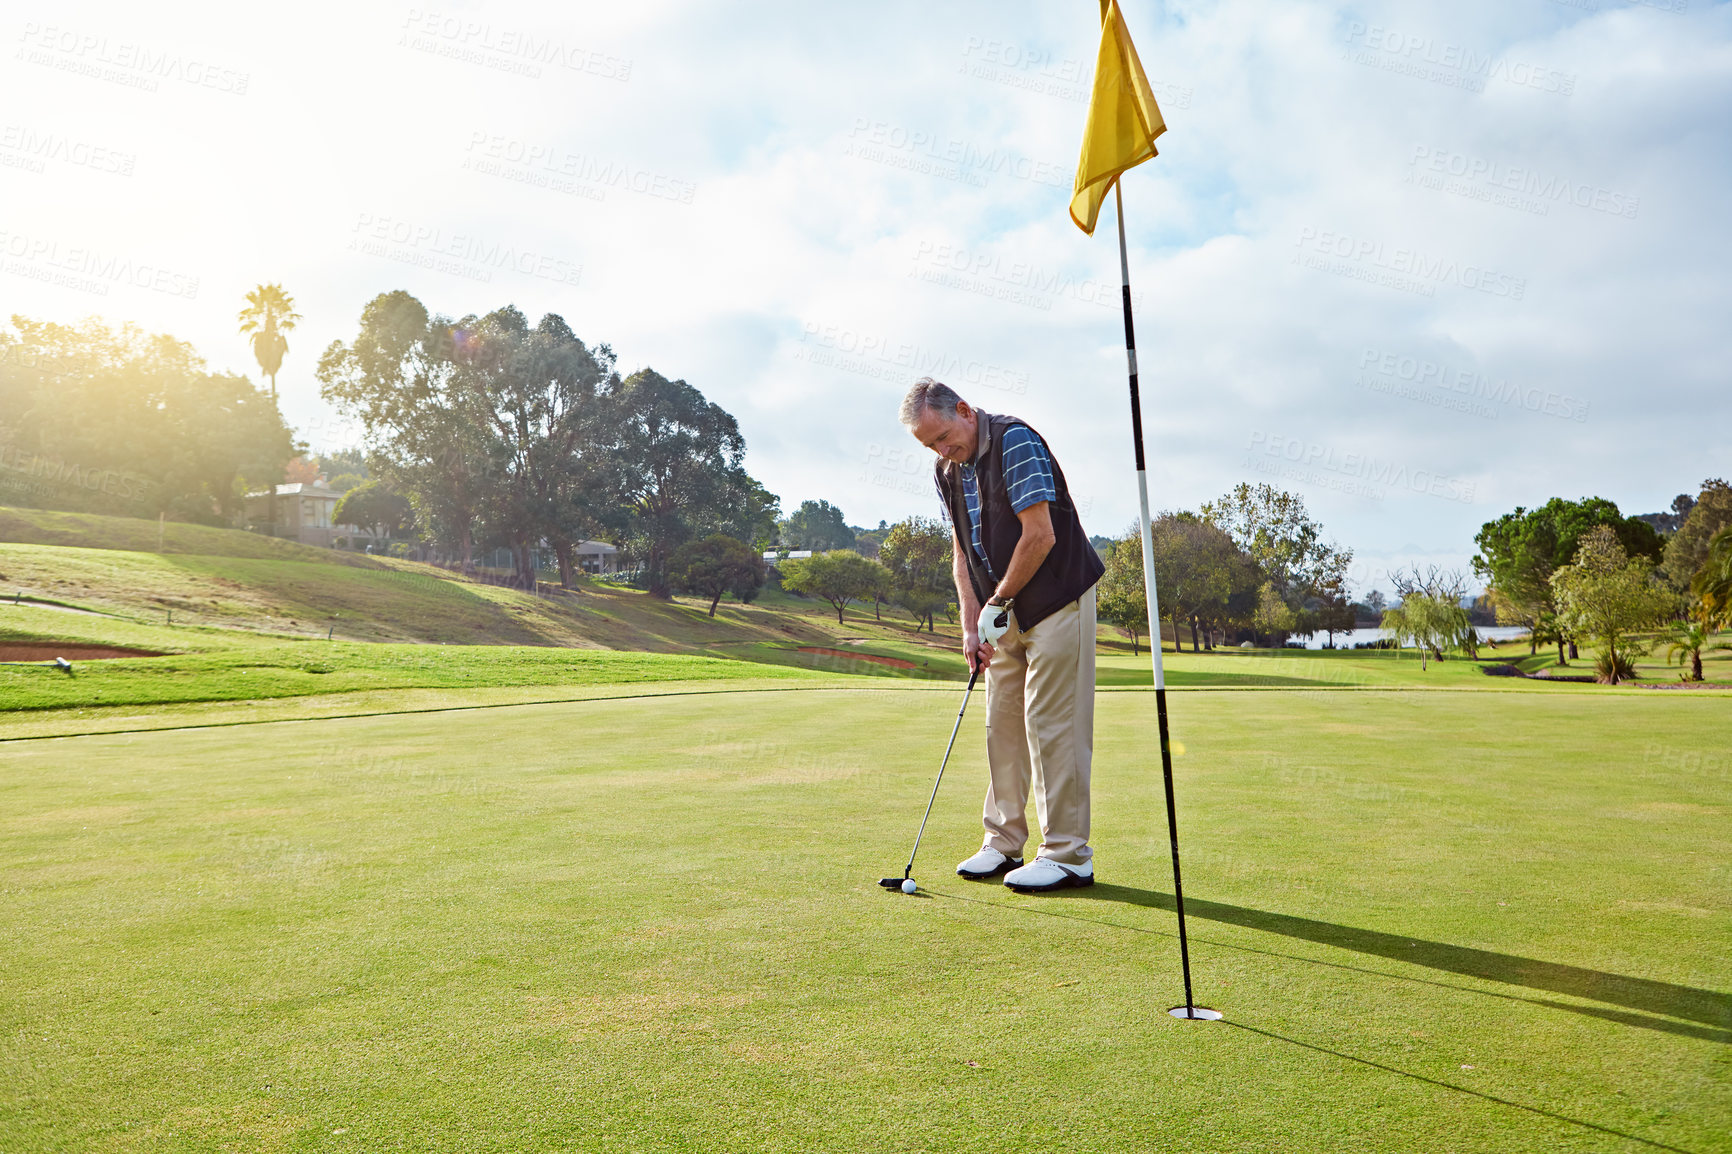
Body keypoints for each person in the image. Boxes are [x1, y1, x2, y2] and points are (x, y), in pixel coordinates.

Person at [898, 378, 1104, 893]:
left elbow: (1040, 535)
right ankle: (1003, 840)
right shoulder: (947, 469)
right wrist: (972, 624)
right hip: (1001, 610)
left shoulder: (1014, 441)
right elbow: (962, 552)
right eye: (932, 446)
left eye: (945, 437)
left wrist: (999, 600)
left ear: (965, 411)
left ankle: (1067, 855)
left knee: (1051, 725)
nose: (944, 451)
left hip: (1058, 599)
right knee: (1001, 724)